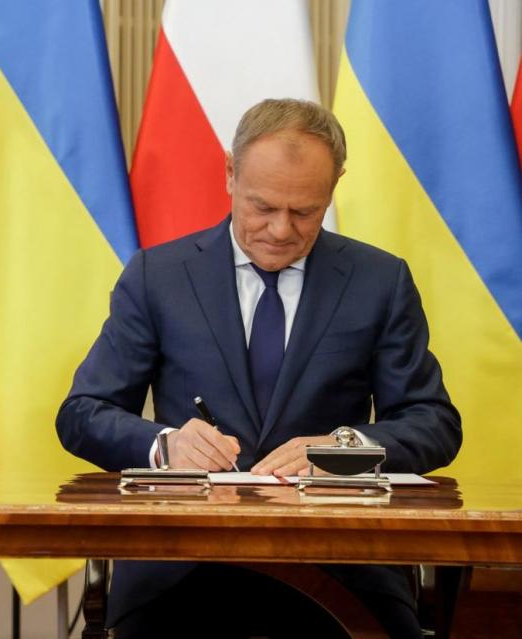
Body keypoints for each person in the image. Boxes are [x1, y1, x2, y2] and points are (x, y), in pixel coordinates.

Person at [56, 99, 461, 638]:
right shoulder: (160, 275)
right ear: (229, 173)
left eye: (304, 212)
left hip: (341, 562)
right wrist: (165, 445)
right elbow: (82, 413)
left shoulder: (378, 281)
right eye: (262, 206)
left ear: (335, 186)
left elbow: (434, 422)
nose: (279, 230)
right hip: (179, 564)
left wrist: (342, 452)